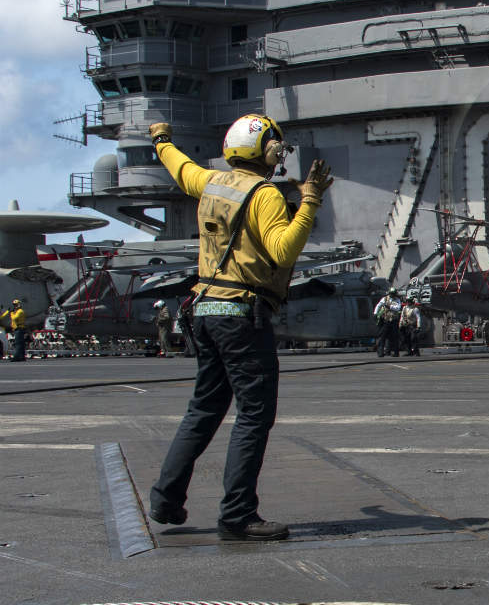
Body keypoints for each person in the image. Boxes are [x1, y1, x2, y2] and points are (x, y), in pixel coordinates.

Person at [146, 115, 332, 542]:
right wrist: (310, 200)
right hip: (242, 315)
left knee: (204, 410)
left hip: (206, 310)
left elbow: (178, 166)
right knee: (254, 414)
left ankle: (165, 499)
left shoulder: (209, 182)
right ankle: (237, 515)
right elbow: (283, 252)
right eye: (276, 147)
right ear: (265, 151)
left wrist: (161, 139)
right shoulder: (264, 194)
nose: (279, 154)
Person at [373, 290, 402, 357]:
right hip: (385, 320)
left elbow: (398, 308)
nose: (392, 295)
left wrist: (390, 307)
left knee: (394, 337)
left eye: (393, 294)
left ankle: (395, 352)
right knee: (382, 337)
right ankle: (380, 352)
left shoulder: (397, 300)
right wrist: (375, 313)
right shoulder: (384, 299)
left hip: (394, 320)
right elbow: (378, 305)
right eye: (391, 294)